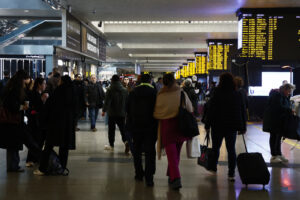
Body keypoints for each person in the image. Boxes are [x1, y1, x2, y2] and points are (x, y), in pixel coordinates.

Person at [204, 72, 246, 182]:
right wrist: (243, 127)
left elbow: (211, 110)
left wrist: (207, 125)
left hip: (217, 125)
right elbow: (242, 111)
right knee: (231, 149)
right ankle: (231, 172)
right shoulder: (237, 94)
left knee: (216, 147)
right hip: (231, 126)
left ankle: (213, 167)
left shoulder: (216, 93)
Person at [153, 73, 193, 190]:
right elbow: (190, 109)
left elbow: (156, 112)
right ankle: (171, 175)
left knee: (172, 155)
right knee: (176, 154)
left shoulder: (161, 94)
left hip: (167, 128)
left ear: (163, 82)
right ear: (174, 81)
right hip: (181, 127)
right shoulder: (181, 93)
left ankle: (176, 178)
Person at [34, 75, 77, 176]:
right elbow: (76, 109)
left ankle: (42, 169)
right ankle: (61, 168)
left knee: (48, 146)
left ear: (62, 81)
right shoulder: (73, 92)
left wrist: (43, 121)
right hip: (68, 124)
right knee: (64, 147)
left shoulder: (58, 91)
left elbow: (48, 107)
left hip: (55, 123)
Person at [0, 70, 39, 172]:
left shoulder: (10, 87)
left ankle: (13, 166)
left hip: (11, 122)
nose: (27, 82)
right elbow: (12, 106)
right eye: (26, 80)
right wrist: (23, 107)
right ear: (22, 79)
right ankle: (12, 167)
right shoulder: (14, 90)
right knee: (13, 145)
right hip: (13, 122)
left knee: (13, 145)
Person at [127, 74, 157, 187]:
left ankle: (139, 174)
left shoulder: (133, 92)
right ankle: (149, 177)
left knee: (137, 150)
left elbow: (127, 109)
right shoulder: (154, 92)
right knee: (150, 152)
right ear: (150, 81)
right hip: (151, 127)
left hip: (136, 126)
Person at [263, 83, 295, 163]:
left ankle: (279, 154)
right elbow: (278, 107)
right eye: (289, 91)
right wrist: (289, 110)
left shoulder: (283, 96)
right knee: (274, 137)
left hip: (280, 120)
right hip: (273, 120)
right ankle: (273, 156)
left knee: (278, 138)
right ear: (285, 89)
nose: (289, 93)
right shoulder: (276, 95)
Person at [102, 75, 129, 153]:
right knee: (122, 129)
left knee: (111, 129)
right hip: (122, 113)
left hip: (112, 113)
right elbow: (127, 102)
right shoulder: (124, 90)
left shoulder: (110, 89)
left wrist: (104, 110)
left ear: (112, 80)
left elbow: (106, 101)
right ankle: (126, 142)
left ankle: (111, 145)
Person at [26, 78, 48, 167]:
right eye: (44, 84)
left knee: (40, 140)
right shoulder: (33, 94)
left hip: (40, 121)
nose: (45, 85)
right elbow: (32, 109)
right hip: (34, 122)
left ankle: (36, 158)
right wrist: (42, 101)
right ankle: (30, 159)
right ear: (39, 84)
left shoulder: (40, 94)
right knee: (34, 140)